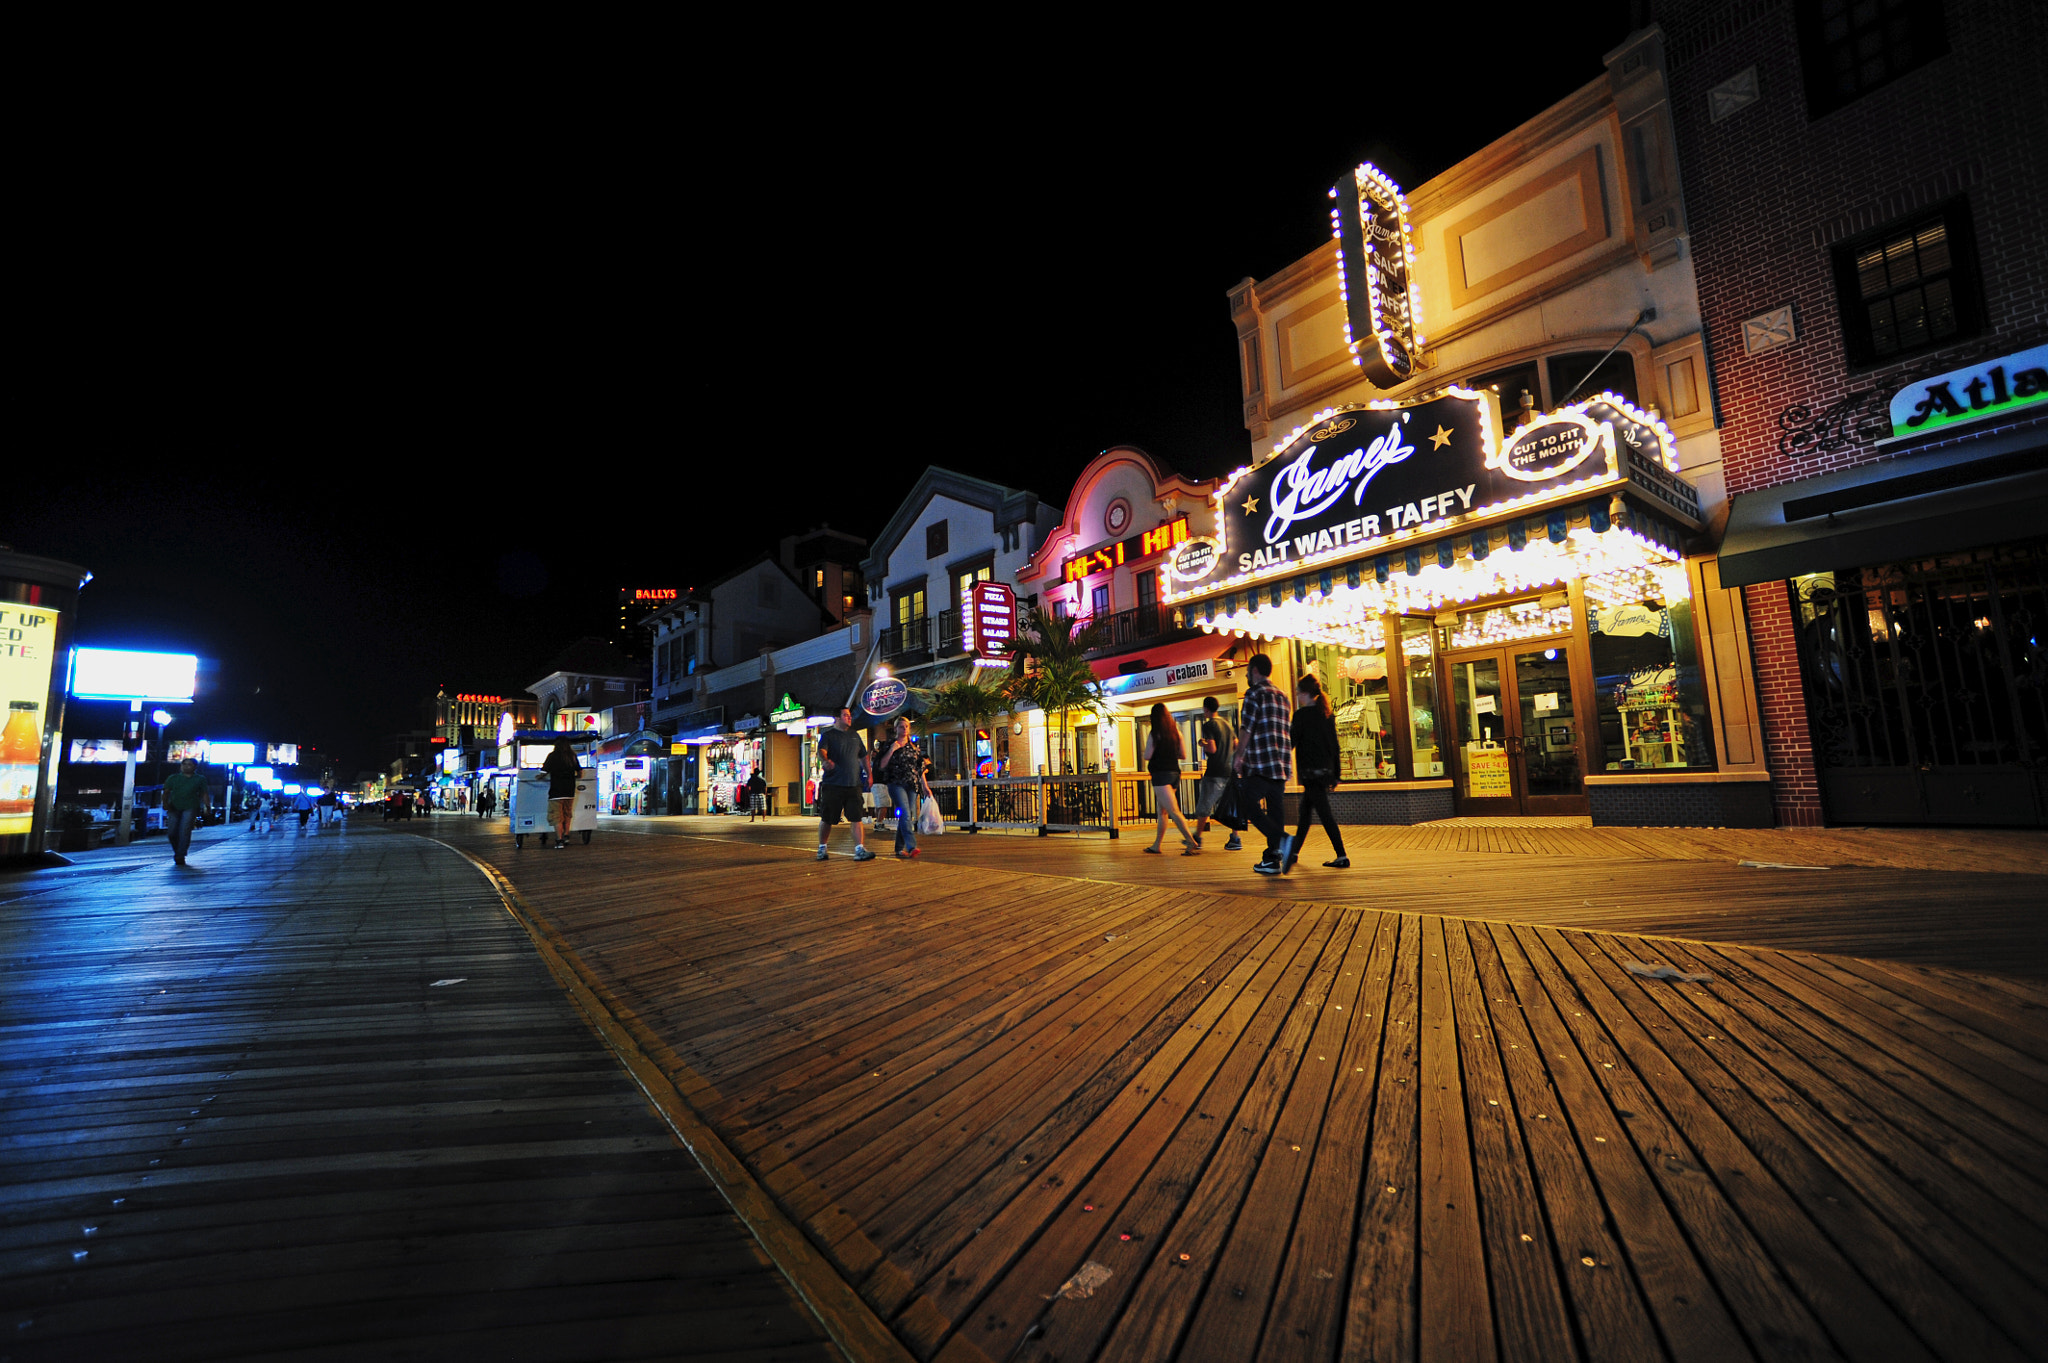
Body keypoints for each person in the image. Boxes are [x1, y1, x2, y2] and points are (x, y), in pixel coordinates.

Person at [1234, 652, 1292, 875]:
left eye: (1248, 671)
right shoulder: (1283, 695)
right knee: (1276, 810)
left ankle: (1282, 841)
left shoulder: (1254, 693)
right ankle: (1272, 857)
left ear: (1255, 670)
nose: (1247, 675)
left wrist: (1239, 756)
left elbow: (1247, 728)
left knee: (1247, 803)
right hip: (1281, 763)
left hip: (1259, 762)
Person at [1283, 674, 1348, 874]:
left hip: (1310, 772)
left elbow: (1291, 743)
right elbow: (1334, 746)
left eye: (1298, 692)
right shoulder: (1326, 714)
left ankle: (1342, 855)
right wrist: (1336, 773)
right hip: (1325, 770)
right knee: (1305, 812)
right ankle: (1293, 854)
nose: (1297, 695)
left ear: (1305, 694)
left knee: (1323, 813)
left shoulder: (1301, 716)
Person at [815, 707, 874, 862]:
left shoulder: (854, 736)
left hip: (853, 784)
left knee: (856, 817)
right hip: (833, 784)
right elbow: (821, 751)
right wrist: (826, 761)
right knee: (828, 818)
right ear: (837, 718)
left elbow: (863, 756)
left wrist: (869, 774)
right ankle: (822, 847)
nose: (849, 718)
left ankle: (859, 849)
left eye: (850, 715)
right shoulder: (828, 735)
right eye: (845, 715)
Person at [1142, 703, 1198, 855]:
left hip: (1160, 775)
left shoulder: (1155, 734)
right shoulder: (1176, 733)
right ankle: (1156, 845)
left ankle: (1191, 841)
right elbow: (1183, 755)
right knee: (1163, 811)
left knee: (1173, 811)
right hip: (1174, 773)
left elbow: (1147, 755)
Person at [876, 717, 930, 859]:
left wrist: (925, 785)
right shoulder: (889, 745)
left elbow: (920, 768)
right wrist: (892, 750)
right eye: (901, 726)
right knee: (905, 813)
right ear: (896, 729)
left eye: (906, 726)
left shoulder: (913, 747)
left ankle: (899, 848)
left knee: (907, 815)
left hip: (912, 783)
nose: (904, 729)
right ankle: (911, 846)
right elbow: (881, 765)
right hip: (895, 782)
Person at [1192, 695, 1241, 852]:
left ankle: (1197, 838)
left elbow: (1212, 748)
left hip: (1214, 771)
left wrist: (1202, 744)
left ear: (1206, 709)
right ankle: (1235, 837)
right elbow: (1236, 744)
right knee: (1229, 805)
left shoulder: (1209, 725)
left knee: (1205, 805)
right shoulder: (1227, 725)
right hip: (1228, 770)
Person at [162, 758, 208, 866]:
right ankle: (177, 850)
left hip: (190, 807)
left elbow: (204, 793)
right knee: (172, 832)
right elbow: (166, 792)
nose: (186, 766)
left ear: (195, 767)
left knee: (185, 830)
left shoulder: (200, 779)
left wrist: (207, 806)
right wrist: (165, 803)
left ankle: (180, 854)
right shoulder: (173, 778)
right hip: (174, 807)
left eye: (189, 764)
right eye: (184, 764)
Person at [542, 738, 581, 849]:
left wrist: (539, 776)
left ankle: (559, 840)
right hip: (570, 791)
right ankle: (566, 836)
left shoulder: (552, 756)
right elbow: (580, 773)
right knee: (567, 814)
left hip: (556, 792)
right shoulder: (572, 756)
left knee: (557, 817)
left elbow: (544, 772)